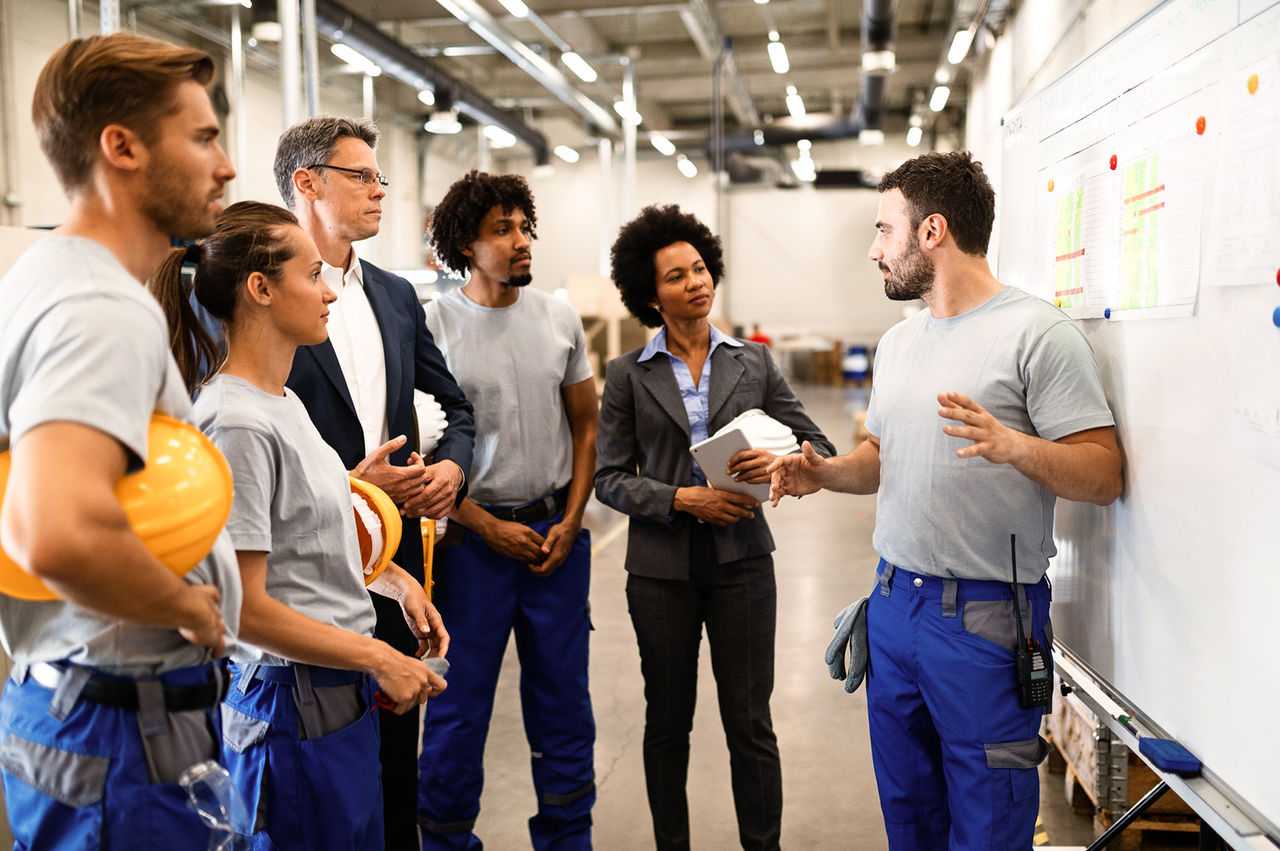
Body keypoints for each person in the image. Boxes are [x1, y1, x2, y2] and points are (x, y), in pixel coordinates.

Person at [768, 151, 1123, 851]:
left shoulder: (1038, 336)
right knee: (912, 820)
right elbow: (883, 456)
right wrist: (826, 473)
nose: (874, 250)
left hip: (988, 622)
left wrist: (1018, 446)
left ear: (932, 232)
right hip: (894, 608)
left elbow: (1103, 473)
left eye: (883, 231)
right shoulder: (899, 345)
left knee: (989, 826)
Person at [0, 33, 242, 847]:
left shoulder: (41, 276)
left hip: (79, 707)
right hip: (119, 729)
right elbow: (55, 528)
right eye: (204, 137)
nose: (227, 165)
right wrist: (187, 606)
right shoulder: (101, 308)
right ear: (123, 147)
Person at [149, 200, 449, 849]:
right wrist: (377, 655)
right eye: (313, 274)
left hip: (333, 701)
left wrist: (395, 580)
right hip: (290, 708)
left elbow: (301, 535)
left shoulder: (281, 402)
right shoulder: (236, 423)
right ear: (260, 289)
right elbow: (243, 607)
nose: (331, 290)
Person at [594, 204, 834, 851]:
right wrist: (681, 498)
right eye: (676, 276)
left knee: (750, 723)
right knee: (667, 723)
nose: (695, 282)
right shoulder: (627, 375)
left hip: (744, 564)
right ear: (651, 294)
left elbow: (819, 445)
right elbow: (609, 476)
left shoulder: (752, 363)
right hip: (660, 571)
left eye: (700, 268)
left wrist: (783, 461)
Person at [273, 115, 475, 848]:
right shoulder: (264, 296)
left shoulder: (393, 295)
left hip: (390, 564)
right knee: (311, 768)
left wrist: (451, 465)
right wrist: (348, 484)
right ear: (308, 183)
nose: (379, 191)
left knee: (394, 763)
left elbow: (456, 406)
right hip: (297, 575)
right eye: (362, 176)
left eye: (379, 176)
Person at [416, 170, 598, 850]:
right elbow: (424, 449)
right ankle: (445, 839)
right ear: (466, 243)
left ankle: (566, 837)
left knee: (563, 706)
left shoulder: (558, 317)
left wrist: (573, 518)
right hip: (472, 546)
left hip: (555, 537)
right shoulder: (432, 328)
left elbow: (585, 424)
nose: (522, 241)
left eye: (524, 226)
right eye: (503, 229)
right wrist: (483, 522)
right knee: (459, 709)